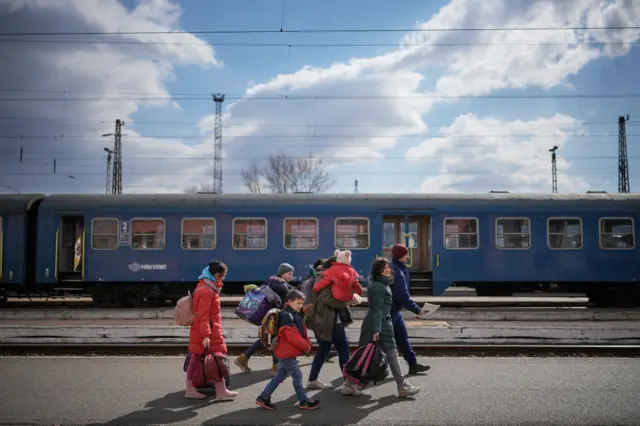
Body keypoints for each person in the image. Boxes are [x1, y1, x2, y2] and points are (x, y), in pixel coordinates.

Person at [359, 257, 420, 397]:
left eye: (389, 267)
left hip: (377, 323)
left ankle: (351, 384)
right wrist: (377, 329)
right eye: (386, 267)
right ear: (379, 270)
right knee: (392, 356)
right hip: (381, 324)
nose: (389, 269)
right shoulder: (380, 286)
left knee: (367, 354)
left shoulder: (379, 284)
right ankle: (402, 386)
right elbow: (378, 310)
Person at [255, 289, 320, 410]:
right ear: (289, 302)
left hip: (284, 352)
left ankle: (263, 397)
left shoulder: (291, 313)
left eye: (302, 303)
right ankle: (303, 401)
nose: (301, 306)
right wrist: (306, 346)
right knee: (297, 375)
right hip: (286, 353)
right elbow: (292, 336)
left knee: (279, 377)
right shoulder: (287, 316)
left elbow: (300, 332)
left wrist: (307, 342)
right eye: (298, 303)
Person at [304, 257, 360, 393]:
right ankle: (348, 384)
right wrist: (348, 302)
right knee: (343, 349)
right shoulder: (327, 277)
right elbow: (327, 299)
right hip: (330, 320)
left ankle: (312, 380)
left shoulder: (321, 277)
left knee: (323, 350)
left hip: (323, 319)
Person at [185, 260, 238, 400]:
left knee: (212, 358)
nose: (224, 278)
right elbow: (203, 315)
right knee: (211, 358)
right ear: (216, 274)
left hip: (207, 329)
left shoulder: (206, 287)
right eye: (223, 275)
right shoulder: (207, 291)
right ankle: (193, 390)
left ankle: (220, 389)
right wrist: (206, 335)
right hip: (206, 331)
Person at [234, 263, 297, 375]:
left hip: (269, 315)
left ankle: (244, 358)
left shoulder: (271, 280)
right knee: (273, 338)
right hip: (274, 317)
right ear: (282, 273)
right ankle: (275, 367)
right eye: (289, 273)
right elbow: (286, 297)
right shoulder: (279, 285)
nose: (291, 276)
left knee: (268, 338)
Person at [390, 244, 431, 374]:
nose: (408, 256)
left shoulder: (396, 268)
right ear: (401, 256)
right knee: (381, 344)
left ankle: (413, 365)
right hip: (390, 312)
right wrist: (418, 310)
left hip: (394, 311)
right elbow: (403, 296)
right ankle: (363, 369)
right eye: (406, 254)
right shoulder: (397, 272)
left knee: (402, 338)